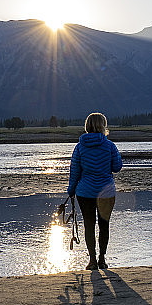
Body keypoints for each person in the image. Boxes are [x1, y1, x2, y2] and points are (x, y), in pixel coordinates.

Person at [67, 112, 123, 270]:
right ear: (103, 126)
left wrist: (71, 190)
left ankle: (92, 261)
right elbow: (117, 167)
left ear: (87, 126)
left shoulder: (79, 147)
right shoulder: (110, 145)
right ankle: (102, 259)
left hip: (85, 192)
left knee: (89, 225)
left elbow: (75, 172)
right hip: (106, 192)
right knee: (104, 225)